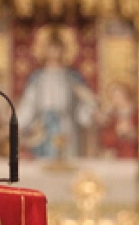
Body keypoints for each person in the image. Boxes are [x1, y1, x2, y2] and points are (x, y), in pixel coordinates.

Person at [16, 31, 97, 159]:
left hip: (65, 125)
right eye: (50, 49)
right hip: (43, 126)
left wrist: (87, 114)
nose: (54, 52)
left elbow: (85, 100)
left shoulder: (71, 76)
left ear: (63, 50)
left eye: (57, 49)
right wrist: (18, 123)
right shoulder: (38, 77)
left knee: (66, 158)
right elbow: (28, 103)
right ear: (44, 50)